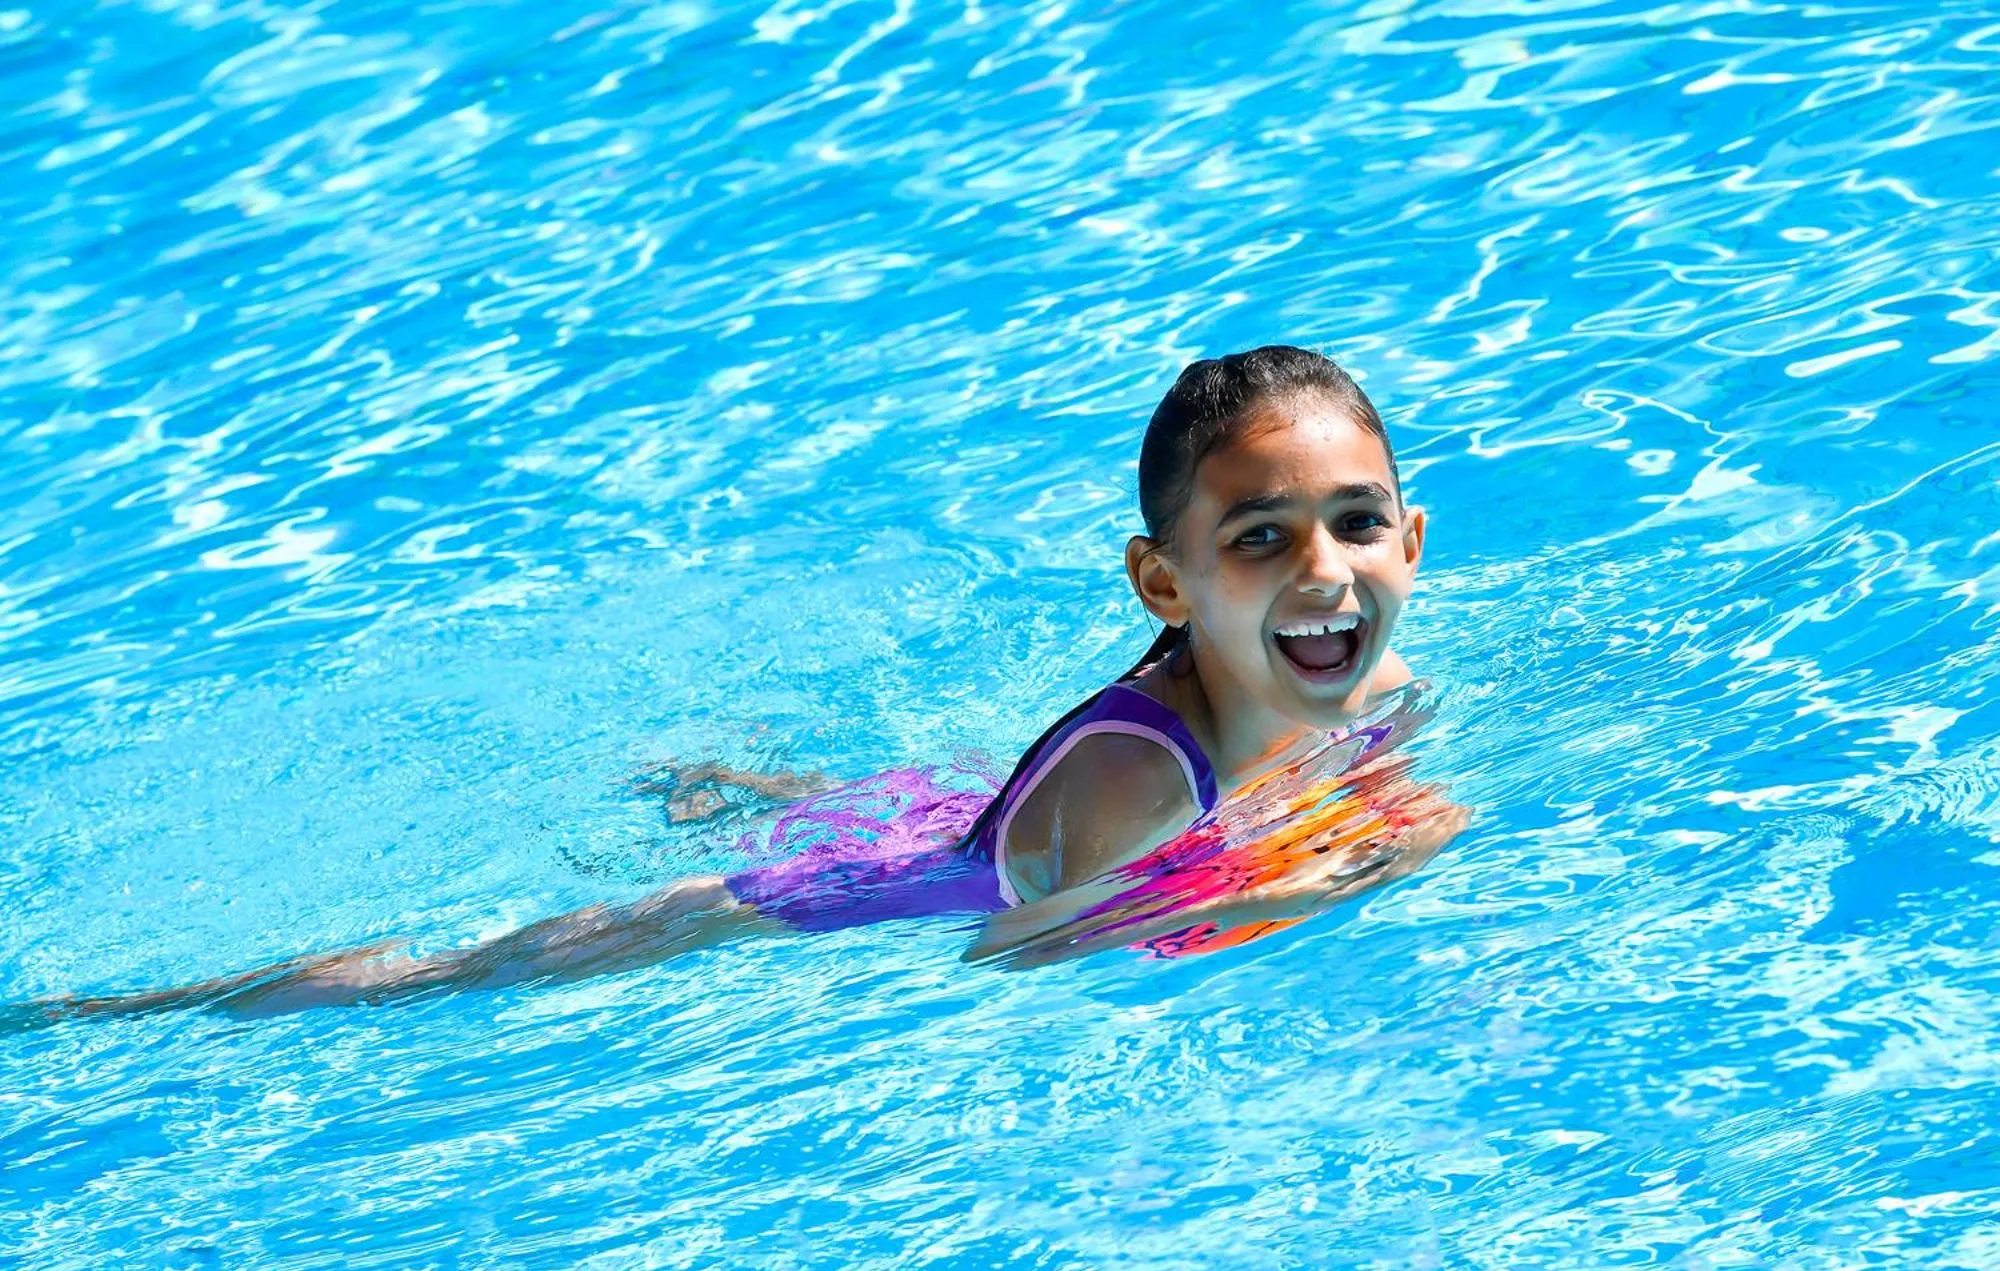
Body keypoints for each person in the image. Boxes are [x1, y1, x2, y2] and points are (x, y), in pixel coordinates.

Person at [21, 345, 1462, 1025]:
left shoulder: (1369, 679)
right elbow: (1021, 952)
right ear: (1165, 586)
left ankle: (754, 787)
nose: (1321, 574)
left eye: (1351, 525)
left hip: (953, 827)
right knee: (471, 966)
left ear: (1408, 538)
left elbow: (1358, 751)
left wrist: (1362, 800)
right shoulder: (1138, 777)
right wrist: (1314, 884)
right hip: (833, 898)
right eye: (1258, 540)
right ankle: (133, 1009)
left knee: (923, 822)